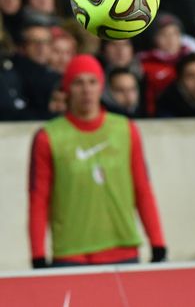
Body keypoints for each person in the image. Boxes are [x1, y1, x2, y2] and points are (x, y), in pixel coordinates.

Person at [28, 55, 166, 267]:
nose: (86, 90)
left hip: (123, 249)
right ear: (67, 88)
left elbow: (142, 188)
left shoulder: (125, 129)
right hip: (71, 254)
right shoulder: (49, 137)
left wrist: (157, 243)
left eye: (92, 82)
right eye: (78, 82)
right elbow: (39, 199)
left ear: (102, 87)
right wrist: (37, 254)